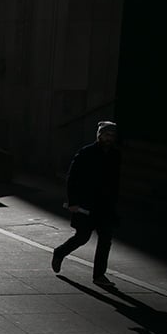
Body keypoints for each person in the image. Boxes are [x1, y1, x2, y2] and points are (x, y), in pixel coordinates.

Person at [52, 121, 123, 288]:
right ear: (99, 135)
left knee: (105, 239)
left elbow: (115, 181)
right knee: (82, 237)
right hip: (86, 204)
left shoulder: (115, 155)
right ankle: (60, 252)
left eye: (112, 135)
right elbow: (72, 177)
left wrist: (114, 203)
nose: (109, 138)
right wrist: (73, 202)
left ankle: (99, 275)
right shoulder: (86, 153)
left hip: (105, 205)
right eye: (106, 135)